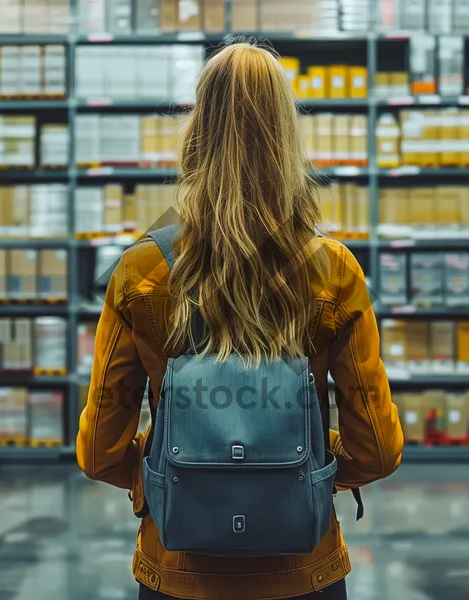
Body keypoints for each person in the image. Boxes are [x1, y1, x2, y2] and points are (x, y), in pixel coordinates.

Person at [76, 39, 404, 600]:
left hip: (176, 570)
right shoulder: (333, 270)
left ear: (197, 129)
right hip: (306, 571)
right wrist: (294, 458)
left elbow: (100, 452)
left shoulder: (142, 269)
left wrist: (180, 466)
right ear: (286, 133)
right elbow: (376, 448)